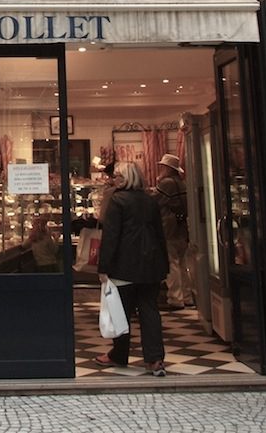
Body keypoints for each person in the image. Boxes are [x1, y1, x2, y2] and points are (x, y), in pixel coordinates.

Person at [94, 161, 169, 376]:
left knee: (121, 311)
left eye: (118, 175)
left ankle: (119, 354)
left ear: (127, 178)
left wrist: (104, 267)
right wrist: (164, 263)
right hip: (151, 265)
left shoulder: (117, 201)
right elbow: (159, 234)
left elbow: (111, 237)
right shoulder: (150, 201)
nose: (113, 179)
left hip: (124, 265)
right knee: (149, 310)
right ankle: (155, 360)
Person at [153, 153, 194, 309]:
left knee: (171, 263)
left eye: (163, 166)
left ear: (168, 168)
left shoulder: (167, 183)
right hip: (182, 227)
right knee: (183, 263)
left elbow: (154, 200)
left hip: (169, 227)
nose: (161, 169)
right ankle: (187, 296)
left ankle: (175, 298)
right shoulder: (181, 182)